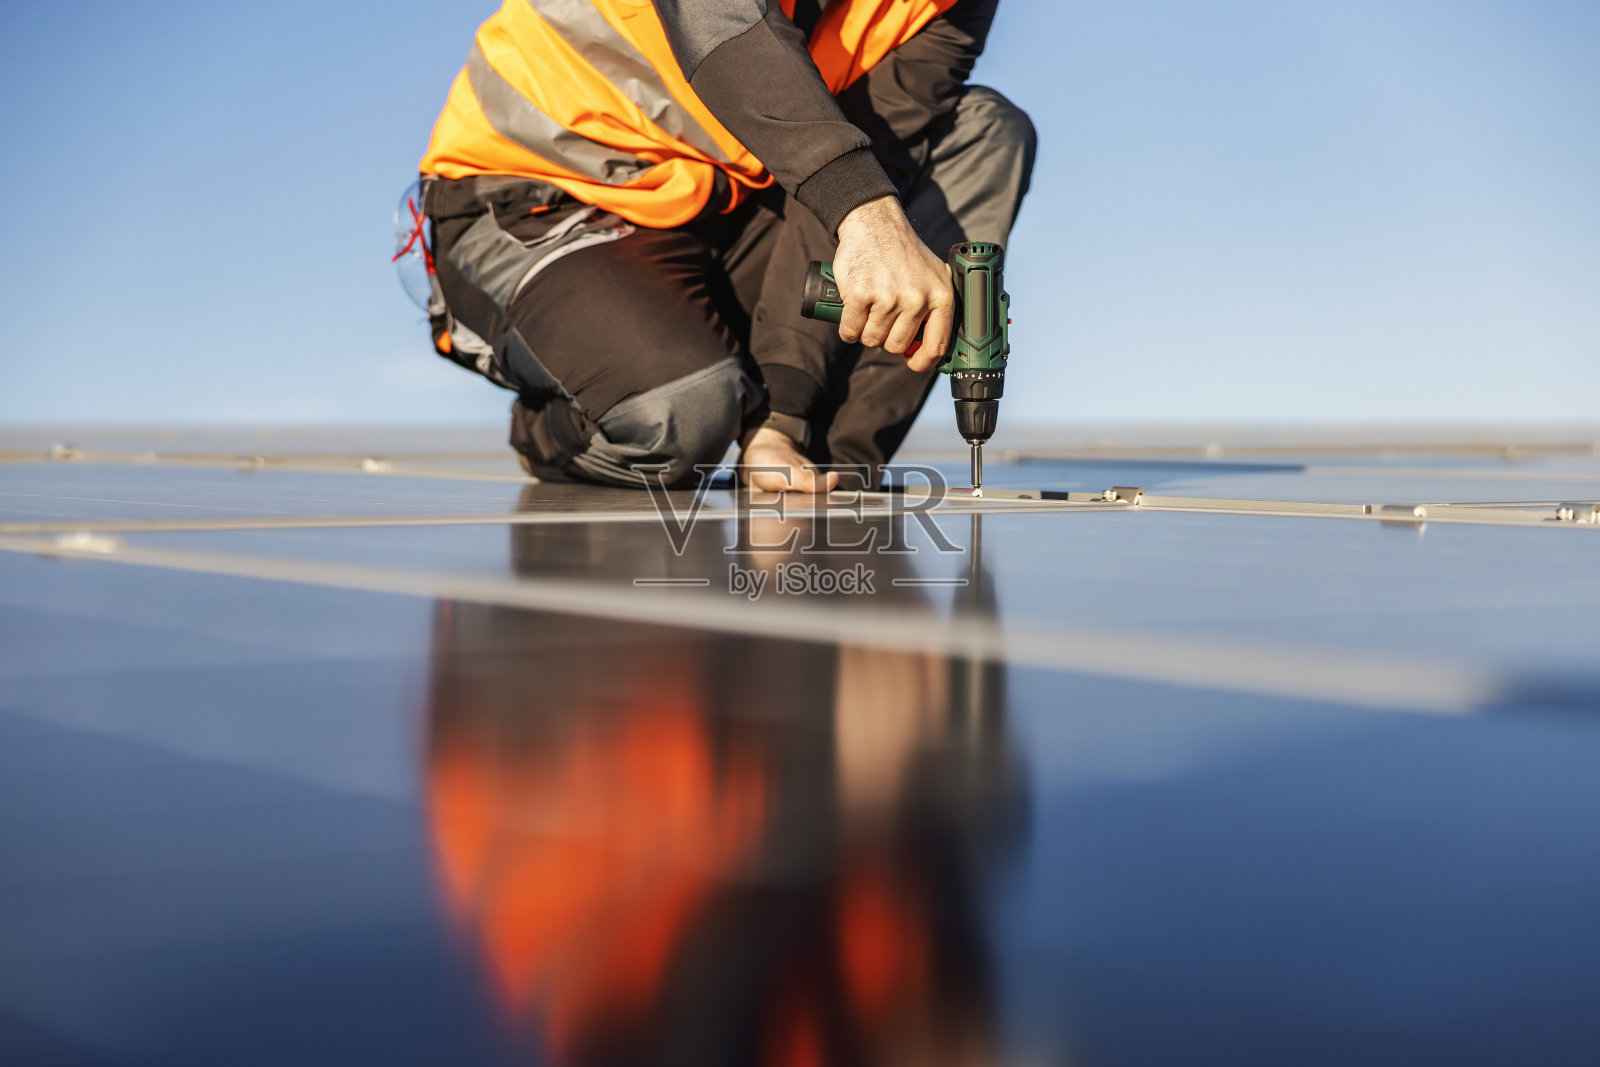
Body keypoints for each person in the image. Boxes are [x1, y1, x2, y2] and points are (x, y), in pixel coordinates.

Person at [417, 0, 1034, 493]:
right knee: (678, 418)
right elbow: (721, 23)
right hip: (536, 197)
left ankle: (822, 466)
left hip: (720, 204)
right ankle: (553, 429)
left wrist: (783, 419)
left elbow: (871, 165)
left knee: (978, 133)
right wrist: (869, 219)